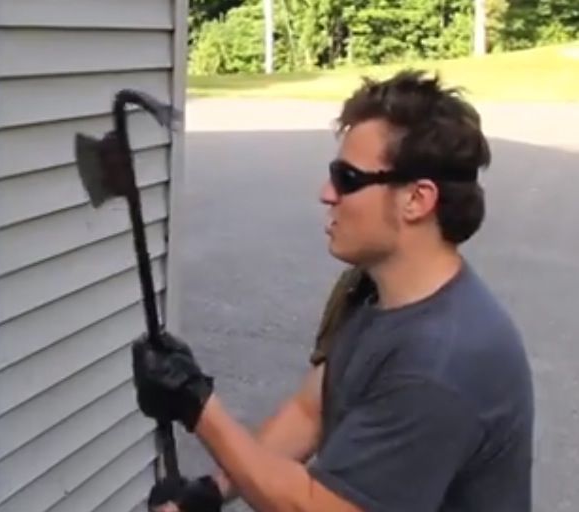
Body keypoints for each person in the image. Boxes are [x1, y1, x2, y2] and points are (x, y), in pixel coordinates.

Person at [131, 69, 534, 512]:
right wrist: (210, 490)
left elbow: (320, 506)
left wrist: (196, 405)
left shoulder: (440, 365)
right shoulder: (371, 291)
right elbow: (311, 412)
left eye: (348, 178)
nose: (326, 193)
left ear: (417, 200)